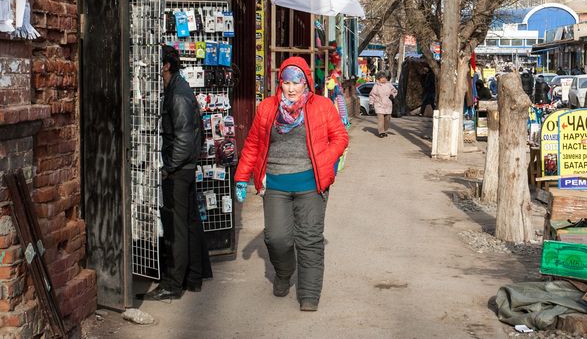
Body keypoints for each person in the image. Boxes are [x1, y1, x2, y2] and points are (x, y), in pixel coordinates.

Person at [234, 57, 348, 312]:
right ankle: (284, 272)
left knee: (309, 240)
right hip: (275, 184)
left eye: (296, 82)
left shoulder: (322, 106)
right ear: (280, 83)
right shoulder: (267, 108)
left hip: (311, 184)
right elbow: (253, 144)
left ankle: (309, 295)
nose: (291, 88)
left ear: (306, 82)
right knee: (277, 238)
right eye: (286, 82)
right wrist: (241, 177)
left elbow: (340, 137)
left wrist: (326, 160)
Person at [142, 46, 211, 301]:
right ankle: (193, 277)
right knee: (189, 221)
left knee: (176, 226)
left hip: (179, 169)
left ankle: (173, 284)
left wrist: (169, 167)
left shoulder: (178, 94)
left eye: (154, 62)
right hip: (185, 167)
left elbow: (183, 137)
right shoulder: (177, 89)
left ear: (166, 66)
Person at [369, 71, 398, 137]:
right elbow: (372, 95)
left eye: (384, 77)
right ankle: (381, 132)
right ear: (378, 79)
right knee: (380, 119)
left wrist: (392, 95)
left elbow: (395, 91)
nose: (383, 79)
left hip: (388, 105)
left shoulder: (389, 85)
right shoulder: (376, 86)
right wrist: (371, 104)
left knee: (387, 119)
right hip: (379, 104)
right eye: (382, 78)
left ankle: (385, 130)